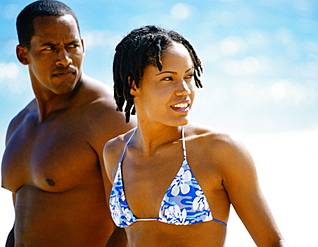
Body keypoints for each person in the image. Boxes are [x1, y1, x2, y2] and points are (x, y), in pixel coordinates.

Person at [103, 25, 288, 247]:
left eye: (188, 76)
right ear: (134, 85)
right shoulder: (116, 152)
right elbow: (124, 235)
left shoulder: (220, 150)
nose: (185, 90)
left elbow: (272, 241)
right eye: (168, 79)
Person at [0, 1, 135, 246]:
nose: (64, 59)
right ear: (23, 54)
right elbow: (20, 223)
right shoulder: (17, 125)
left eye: (72, 46)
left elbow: (130, 226)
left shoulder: (107, 116)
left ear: (83, 47)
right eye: (49, 48)